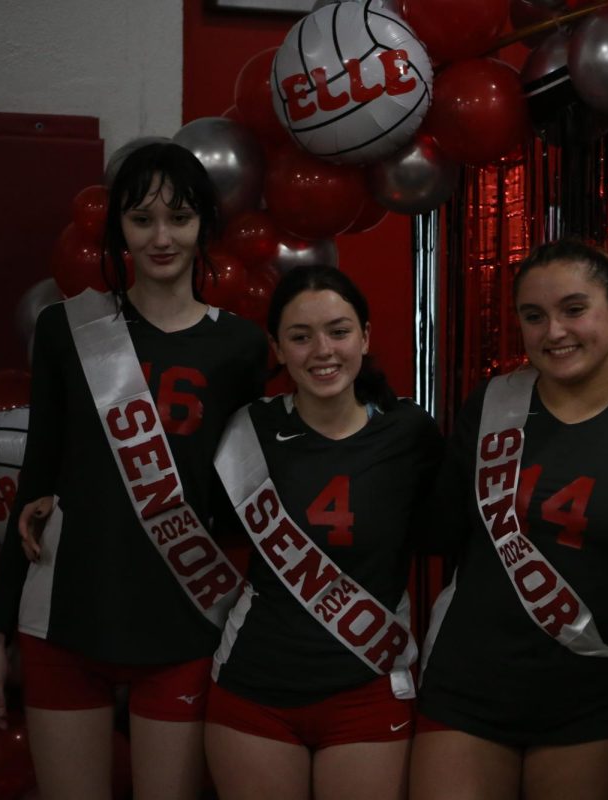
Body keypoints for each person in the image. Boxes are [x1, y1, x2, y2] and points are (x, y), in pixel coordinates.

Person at [0, 141, 267, 800]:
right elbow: (39, 473)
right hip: (66, 614)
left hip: (184, 617)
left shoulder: (242, 344)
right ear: (119, 229)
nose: (161, 237)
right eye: (142, 219)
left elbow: (241, 492)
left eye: (179, 217)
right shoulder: (65, 329)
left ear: (205, 226)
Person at [410, 238, 608, 800]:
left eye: (574, 309)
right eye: (534, 316)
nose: (554, 332)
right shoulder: (493, 403)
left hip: (590, 695)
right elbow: (439, 529)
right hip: (468, 684)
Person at [204, 265, 442, 800]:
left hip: (368, 687)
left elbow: (448, 531)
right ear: (277, 347)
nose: (322, 350)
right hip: (253, 689)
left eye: (338, 331)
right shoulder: (249, 428)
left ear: (365, 335)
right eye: (300, 336)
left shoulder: (410, 433)